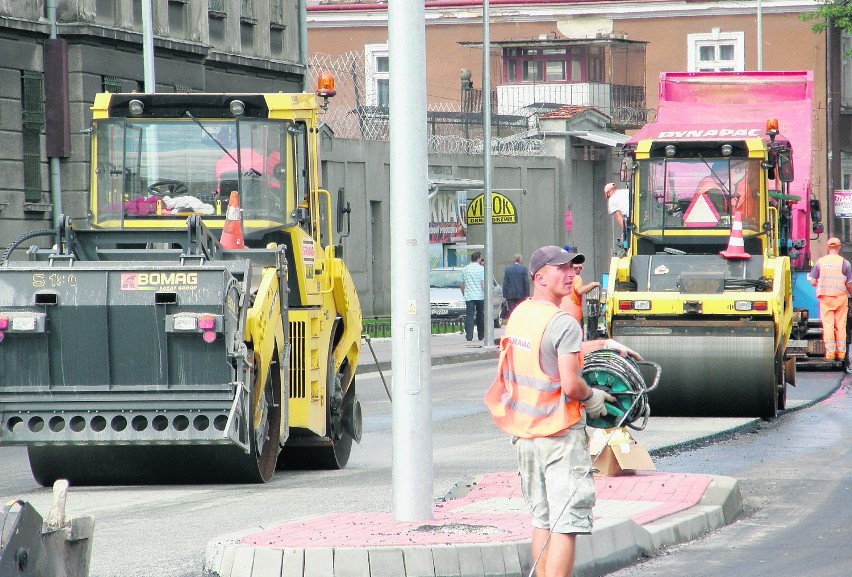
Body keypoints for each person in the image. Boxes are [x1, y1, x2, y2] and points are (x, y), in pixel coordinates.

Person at [485, 245, 620, 577]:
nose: (571, 273)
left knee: (542, 521)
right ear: (539, 276)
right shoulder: (563, 322)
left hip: (527, 436)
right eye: (562, 268)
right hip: (559, 436)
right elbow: (572, 385)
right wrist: (594, 398)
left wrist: (603, 344)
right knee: (567, 523)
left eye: (572, 268)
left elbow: (547, 354)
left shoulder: (521, 315)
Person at [807, 237, 852, 361]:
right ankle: (841, 354)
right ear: (839, 247)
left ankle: (830, 354)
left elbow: (812, 281)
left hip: (825, 298)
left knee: (828, 325)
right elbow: (849, 284)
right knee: (840, 326)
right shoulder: (845, 263)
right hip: (840, 298)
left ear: (828, 247)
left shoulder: (820, 262)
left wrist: (821, 284)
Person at [560, 260, 600, 333]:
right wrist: (592, 284)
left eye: (580, 268)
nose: (578, 270)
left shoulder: (561, 278)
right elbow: (580, 290)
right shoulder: (576, 278)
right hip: (574, 312)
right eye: (576, 268)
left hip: (561, 312)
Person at [460, 251, 485, 343]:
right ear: (478, 258)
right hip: (480, 296)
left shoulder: (465, 269)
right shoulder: (481, 269)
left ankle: (469, 336)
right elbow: (483, 284)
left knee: (469, 316)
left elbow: (462, 284)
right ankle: (481, 335)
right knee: (480, 315)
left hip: (469, 296)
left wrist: (464, 293)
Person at [604, 182, 629, 247]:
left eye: (608, 195)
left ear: (609, 192)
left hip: (629, 220)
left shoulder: (612, 200)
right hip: (640, 220)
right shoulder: (627, 191)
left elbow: (618, 217)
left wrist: (626, 230)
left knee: (625, 243)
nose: (608, 197)